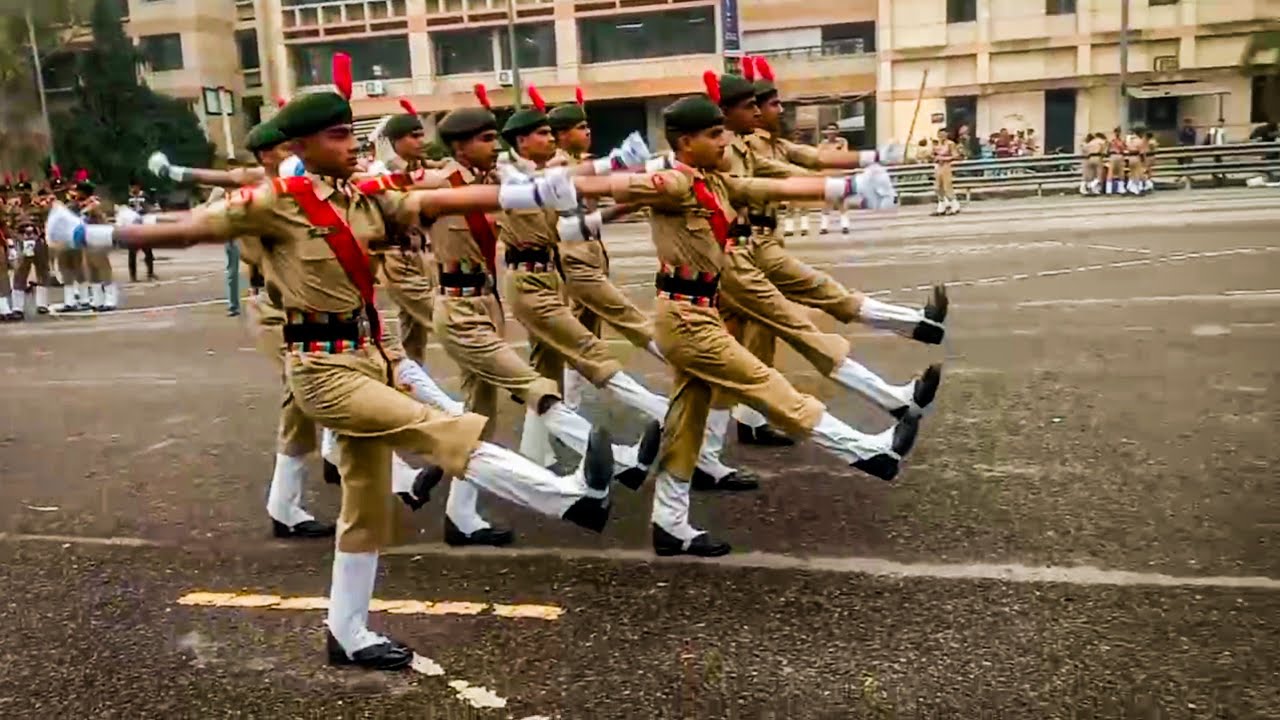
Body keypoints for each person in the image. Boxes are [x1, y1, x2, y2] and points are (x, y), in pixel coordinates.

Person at [48, 57, 626, 671]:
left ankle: (347, 632)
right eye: (337, 135)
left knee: (366, 507)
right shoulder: (274, 203)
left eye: (352, 133)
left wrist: (529, 192)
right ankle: (567, 497)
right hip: (321, 369)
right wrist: (91, 236)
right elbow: (192, 228)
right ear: (300, 145)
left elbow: (436, 198)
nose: (352, 145)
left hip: (367, 357)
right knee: (438, 427)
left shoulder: (364, 199)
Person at [554, 79, 933, 556]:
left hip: (699, 312)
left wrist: (848, 187)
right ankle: (868, 451)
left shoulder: (713, 180)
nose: (724, 141)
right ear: (686, 142)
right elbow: (616, 186)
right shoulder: (675, 182)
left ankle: (669, 522)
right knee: (766, 384)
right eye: (714, 134)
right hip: (686, 320)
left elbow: (768, 184)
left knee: (686, 421)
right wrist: (599, 174)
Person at [546, 87, 667, 412]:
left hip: (592, 250)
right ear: (561, 135)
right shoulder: (558, 167)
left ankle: (568, 405)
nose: (588, 133)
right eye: (580, 128)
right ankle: (686, 370)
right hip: (573, 255)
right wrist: (635, 195)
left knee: (582, 333)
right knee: (627, 317)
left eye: (587, 127)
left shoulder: (584, 163)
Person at [125, 179, 157, 282]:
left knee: (148, 251)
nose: (132, 189)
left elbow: (151, 208)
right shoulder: (129, 197)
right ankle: (133, 276)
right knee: (132, 253)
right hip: (133, 228)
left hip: (143, 226)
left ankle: (150, 273)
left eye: (134, 187)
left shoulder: (145, 196)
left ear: (138, 187)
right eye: (131, 187)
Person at [932, 127, 960, 214]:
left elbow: (956, 155)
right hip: (938, 166)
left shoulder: (950, 144)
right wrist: (934, 157)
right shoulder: (937, 145)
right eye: (940, 135)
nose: (942, 136)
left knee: (947, 186)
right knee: (938, 187)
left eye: (943, 134)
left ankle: (955, 205)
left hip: (946, 166)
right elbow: (933, 155)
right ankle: (941, 206)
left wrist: (945, 158)